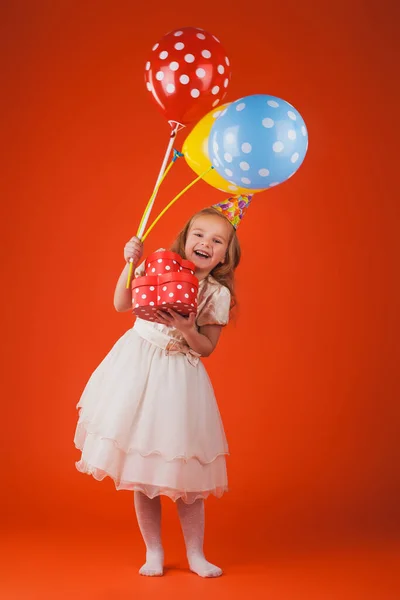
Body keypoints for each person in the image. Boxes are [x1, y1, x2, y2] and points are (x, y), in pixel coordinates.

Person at [74, 195, 252, 578]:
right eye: (200, 234)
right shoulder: (159, 265)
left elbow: (206, 348)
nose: (206, 243)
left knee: (185, 475)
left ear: (225, 256)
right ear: (186, 238)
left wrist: (188, 328)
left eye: (217, 241)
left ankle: (195, 554)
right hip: (137, 371)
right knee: (143, 466)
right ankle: (153, 551)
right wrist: (130, 264)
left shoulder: (216, 294)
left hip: (179, 380)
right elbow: (122, 304)